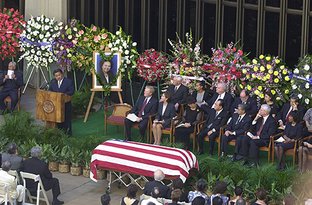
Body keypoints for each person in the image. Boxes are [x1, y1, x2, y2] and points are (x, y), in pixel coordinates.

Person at [49, 69, 75, 136]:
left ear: (62, 74)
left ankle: (68, 134)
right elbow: (50, 91)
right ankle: (59, 134)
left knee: (67, 120)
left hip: (66, 105)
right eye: (56, 76)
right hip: (56, 105)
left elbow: (71, 91)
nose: (58, 77)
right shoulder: (52, 82)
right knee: (58, 119)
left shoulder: (68, 81)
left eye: (59, 75)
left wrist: (62, 95)